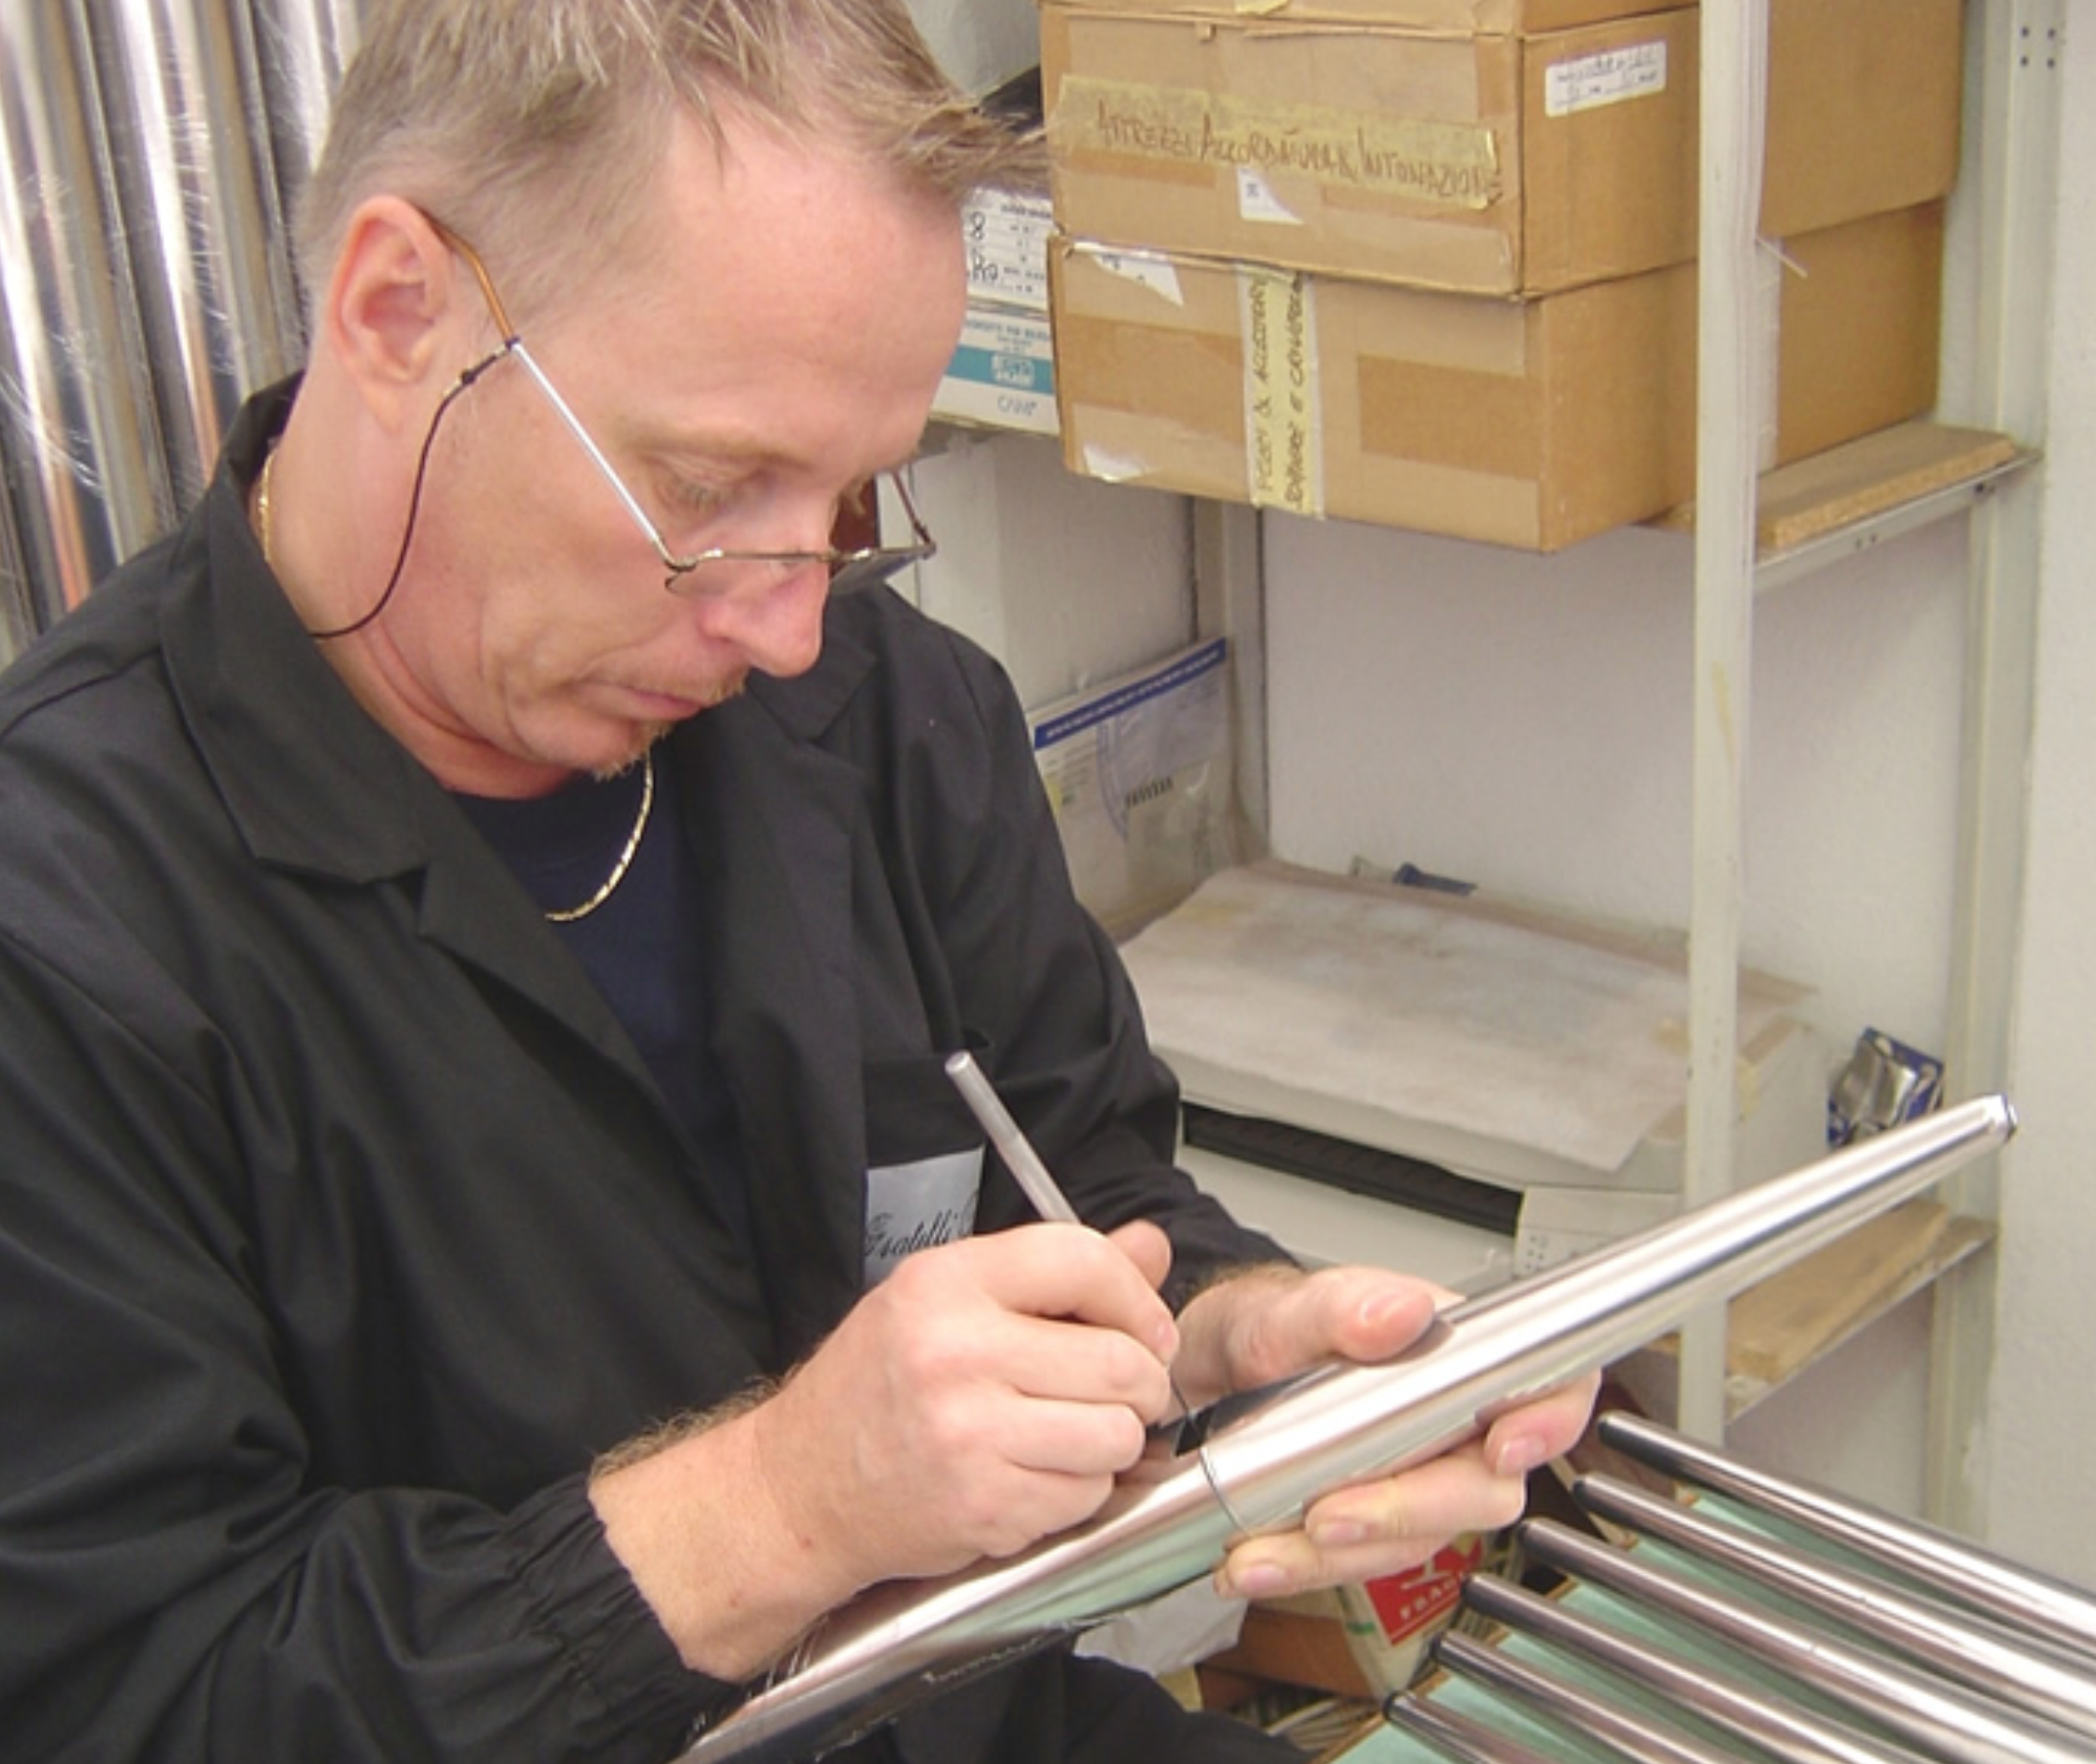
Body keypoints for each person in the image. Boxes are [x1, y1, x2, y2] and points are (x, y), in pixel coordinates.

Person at [0, 4, 1596, 1760]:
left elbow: (1086, 1186)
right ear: (397, 312)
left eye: (846, 505)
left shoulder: (886, 716)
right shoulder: (61, 927)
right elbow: (137, 1694)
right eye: (709, 488)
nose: (784, 624)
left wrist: (1249, 1344)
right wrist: (780, 1508)